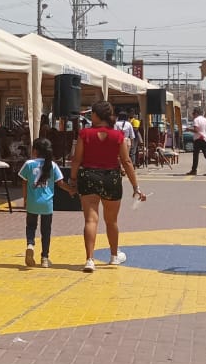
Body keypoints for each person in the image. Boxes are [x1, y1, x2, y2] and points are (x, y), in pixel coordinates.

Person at [69, 99, 145, 273]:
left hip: (89, 176)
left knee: (90, 220)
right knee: (111, 221)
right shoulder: (118, 136)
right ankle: (113, 256)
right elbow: (126, 161)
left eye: (92, 114)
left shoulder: (84, 134)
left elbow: (77, 159)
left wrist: (73, 180)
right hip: (112, 178)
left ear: (97, 115)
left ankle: (90, 259)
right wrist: (136, 186)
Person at [19, 138, 70, 268]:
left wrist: (25, 199)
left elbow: (24, 182)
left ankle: (30, 244)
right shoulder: (52, 165)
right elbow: (61, 183)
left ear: (35, 151)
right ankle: (45, 258)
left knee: (31, 226)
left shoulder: (29, 164)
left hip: (32, 202)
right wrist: (72, 190)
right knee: (46, 231)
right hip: (47, 203)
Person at [187, 108, 206, 176]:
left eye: (193, 113)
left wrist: (189, 129)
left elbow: (196, 130)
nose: (193, 115)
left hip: (199, 138)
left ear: (196, 113)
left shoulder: (196, 120)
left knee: (196, 155)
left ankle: (194, 170)